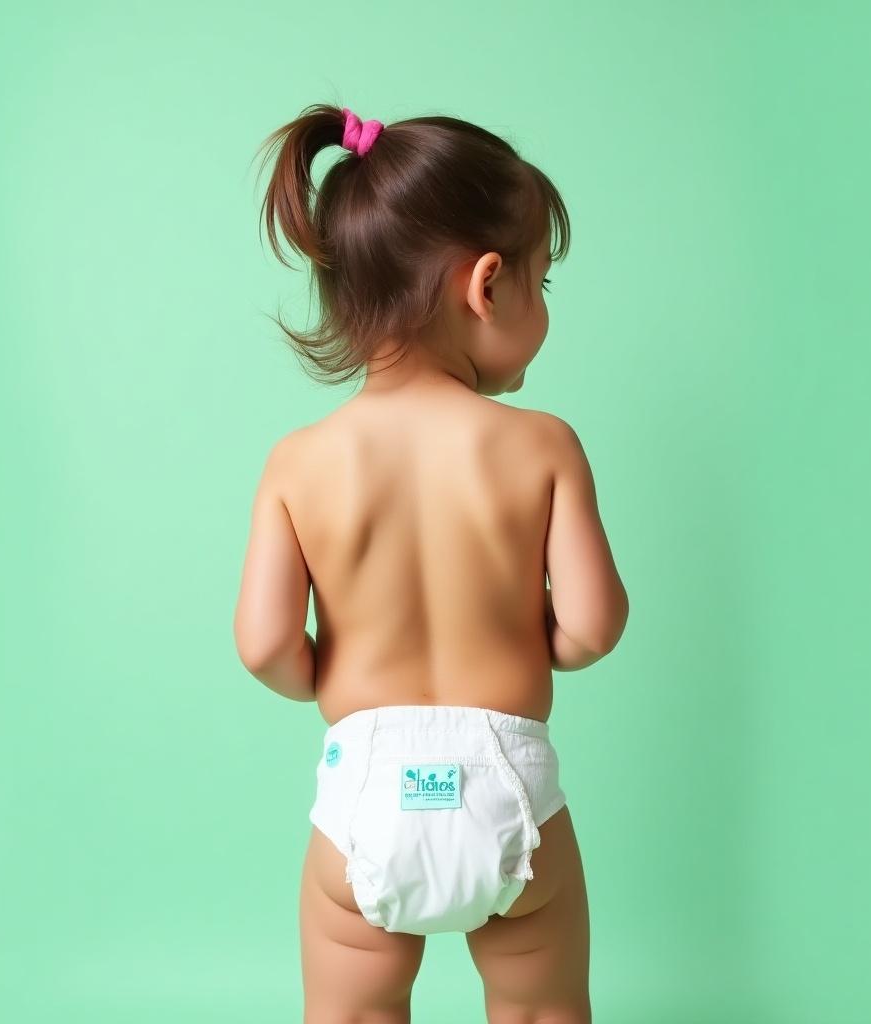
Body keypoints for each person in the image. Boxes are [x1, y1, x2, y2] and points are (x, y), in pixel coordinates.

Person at [233, 102, 629, 1024]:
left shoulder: (300, 461)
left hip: (367, 787)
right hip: (511, 791)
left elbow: (262, 646)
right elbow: (594, 626)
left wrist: (320, 671)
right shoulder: (541, 447)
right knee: (541, 1008)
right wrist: (541, 641)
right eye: (543, 281)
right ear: (487, 285)